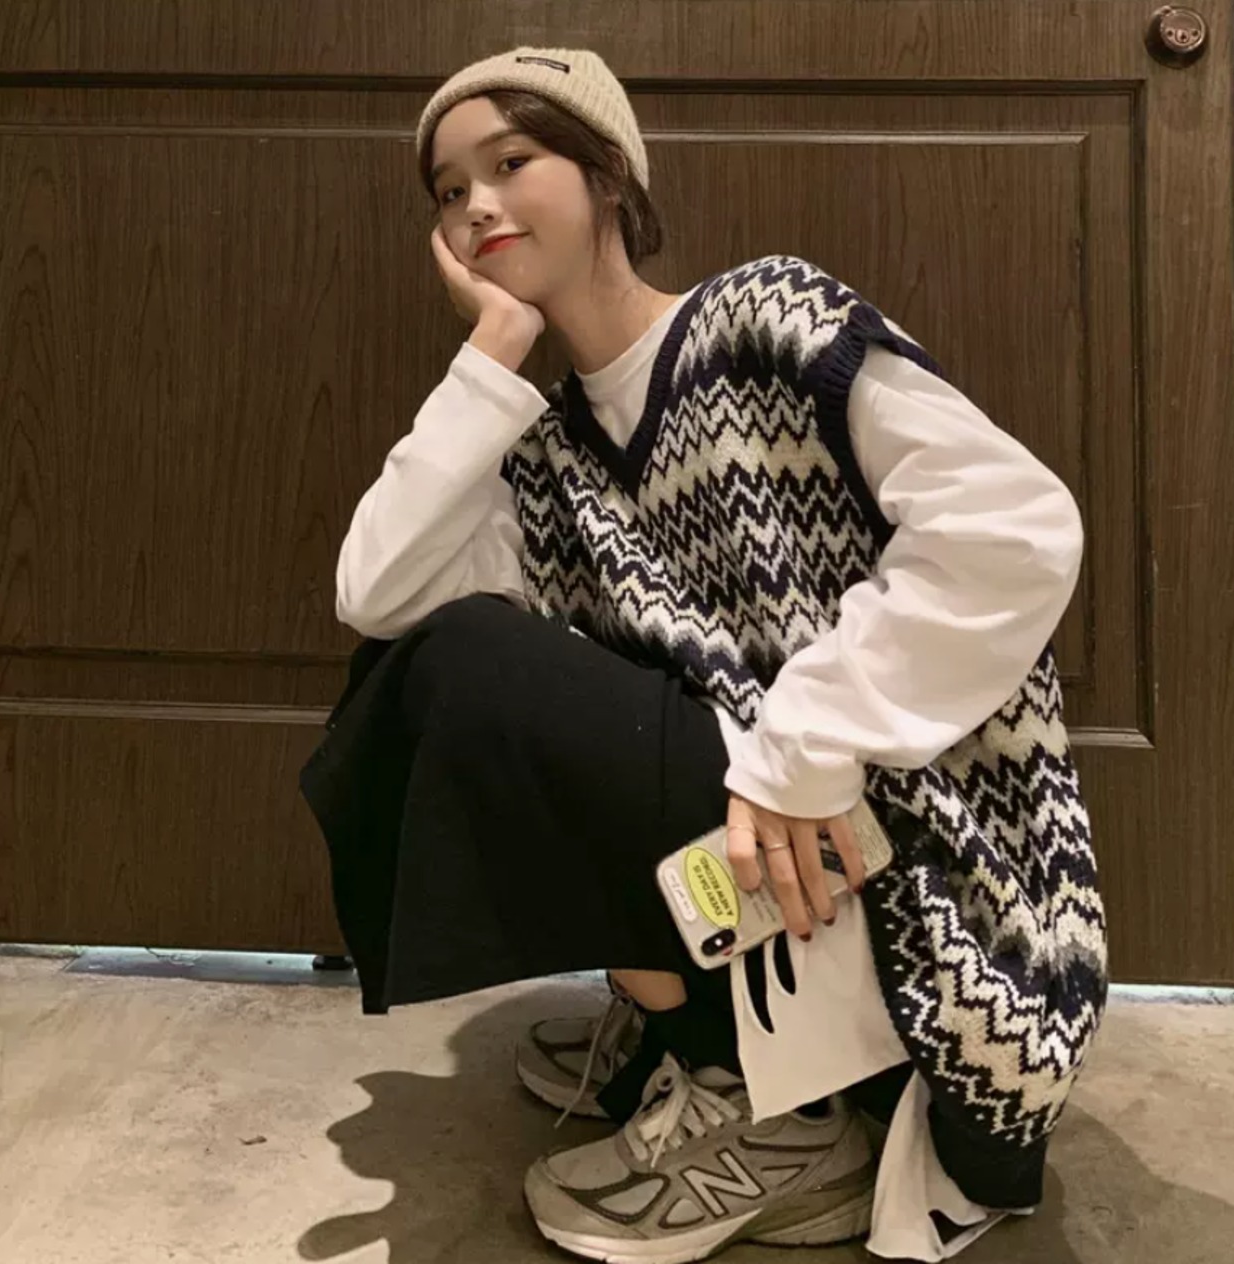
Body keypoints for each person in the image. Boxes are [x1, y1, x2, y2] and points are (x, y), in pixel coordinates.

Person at [300, 45, 1109, 1264]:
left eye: (511, 161)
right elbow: (375, 594)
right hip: (757, 840)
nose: (475, 205)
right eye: (447, 189)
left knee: (471, 664)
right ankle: (693, 1032)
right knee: (418, 672)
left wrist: (808, 742)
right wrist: (491, 354)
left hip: (897, 846)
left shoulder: (767, 321)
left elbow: (1013, 527)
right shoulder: (545, 446)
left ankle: (786, 1115)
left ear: (607, 174)